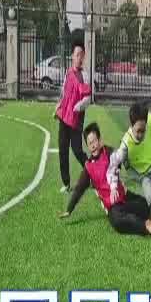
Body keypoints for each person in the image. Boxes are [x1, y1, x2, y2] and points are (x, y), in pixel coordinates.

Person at [58, 123, 151, 236]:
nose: (93, 146)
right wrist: (69, 210)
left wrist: (118, 171)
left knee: (144, 204)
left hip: (123, 195)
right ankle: (145, 226)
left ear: (100, 140)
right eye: (90, 143)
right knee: (117, 221)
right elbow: (79, 189)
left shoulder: (109, 151)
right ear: (87, 146)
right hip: (113, 205)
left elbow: (118, 161)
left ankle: (144, 215)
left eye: (94, 141)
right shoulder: (89, 167)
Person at [55, 43, 94, 193]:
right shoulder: (68, 73)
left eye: (81, 55)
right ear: (72, 56)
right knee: (62, 149)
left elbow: (88, 99)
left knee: (77, 150)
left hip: (76, 119)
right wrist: (58, 106)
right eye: (77, 55)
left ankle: (92, 174)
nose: (79, 58)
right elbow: (64, 93)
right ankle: (66, 183)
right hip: (64, 117)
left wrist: (78, 106)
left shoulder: (84, 76)